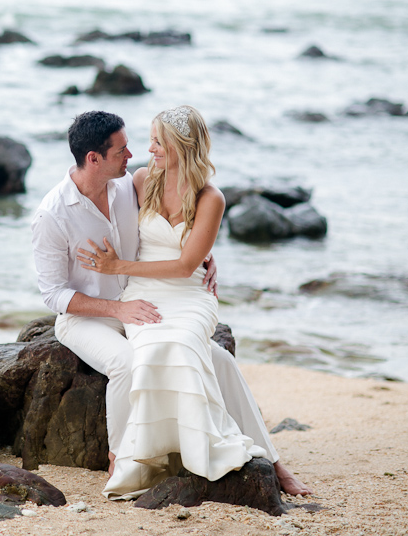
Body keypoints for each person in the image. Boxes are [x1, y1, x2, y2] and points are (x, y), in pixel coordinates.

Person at [30, 110, 311, 497]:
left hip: (143, 300)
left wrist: (204, 258)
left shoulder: (126, 185)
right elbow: (52, 294)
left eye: (143, 144)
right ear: (94, 158)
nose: (134, 154)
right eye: (123, 149)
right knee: (129, 364)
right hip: (88, 316)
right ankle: (121, 459)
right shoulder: (53, 214)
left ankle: (275, 462)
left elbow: (174, 239)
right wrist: (116, 309)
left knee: (222, 362)